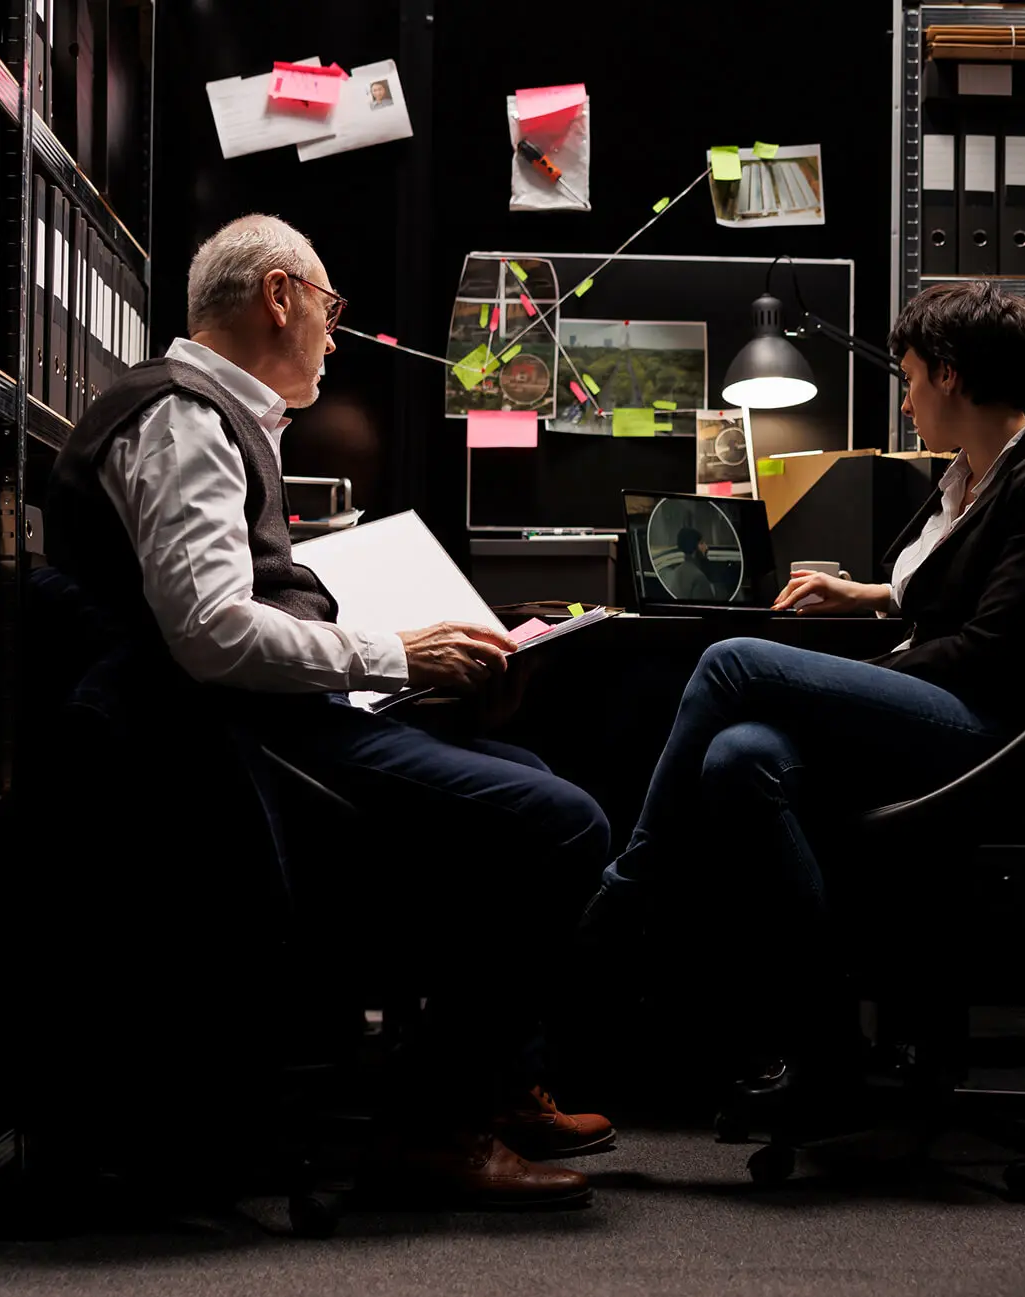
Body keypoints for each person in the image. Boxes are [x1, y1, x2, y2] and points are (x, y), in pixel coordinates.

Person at [44, 215, 614, 1210]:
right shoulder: (185, 422)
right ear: (279, 296)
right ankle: (433, 1125)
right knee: (560, 823)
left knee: (534, 778)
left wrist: (414, 669)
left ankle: (486, 1076)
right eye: (328, 306)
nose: (334, 334)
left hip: (269, 729)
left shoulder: (215, 418)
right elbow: (214, 632)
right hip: (240, 751)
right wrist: (398, 654)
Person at [582, 281, 1025, 1113]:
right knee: (738, 757)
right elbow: (947, 591)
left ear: (952, 374)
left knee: (734, 663)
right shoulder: (969, 475)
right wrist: (866, 597)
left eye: (910, 378)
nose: (905, 398)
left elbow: (994, 650)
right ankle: (825, 1049)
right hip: (943, 706)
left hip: (989, 734)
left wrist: (840, 689)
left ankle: (629, 894)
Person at [663, 526, 719, 601]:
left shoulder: (676, 572)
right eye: (701, 543)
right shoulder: (699, 578)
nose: (706, 547)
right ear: (694, 548)